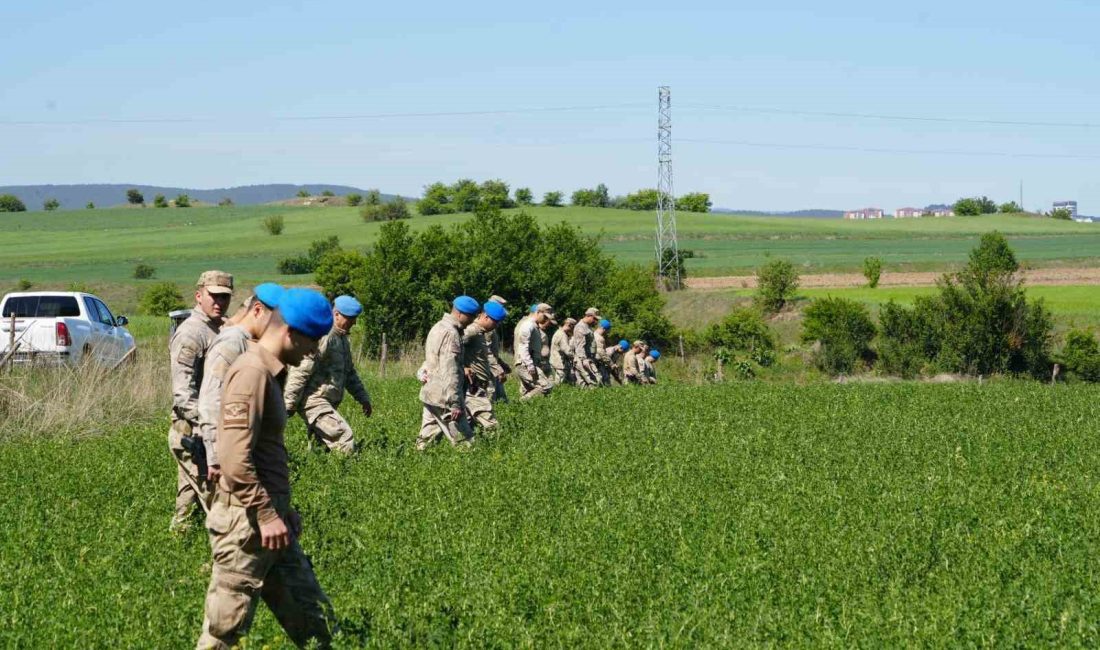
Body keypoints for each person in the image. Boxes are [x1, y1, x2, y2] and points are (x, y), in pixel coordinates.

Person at [196, 287, 336, 649]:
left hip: (270, 522)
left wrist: (282, 510)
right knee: (223, 633)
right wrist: (266, 512)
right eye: (312, 341)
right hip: (245, 524)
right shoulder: (251, 373)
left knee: (313, 620)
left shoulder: (271, 372)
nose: (314, 352)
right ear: (290, 332)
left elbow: (264, 454)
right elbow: (233, 457)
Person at [197, 283, 283, 486]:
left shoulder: (249, 342)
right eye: (276, 322)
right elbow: (211, 399)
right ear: (258, 310)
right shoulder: (232, 342)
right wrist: (216, 457)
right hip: (226, 453)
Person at [168, 270, 233, 532]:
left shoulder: (220, 328)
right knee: (218, 500)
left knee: (188, 495)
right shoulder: (191, 333)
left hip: (204, 428)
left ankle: (177, 543)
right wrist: (211, 424)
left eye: (225, 297)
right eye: (213, 296)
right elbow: (183, 393)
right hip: (192, 430)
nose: (219, 302)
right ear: (198, 296)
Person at [284, 295, 372, 454]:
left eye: (355, 318)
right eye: (350, 318)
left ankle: (318, 474)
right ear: (336, 314)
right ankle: (348, 476)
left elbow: (350, 374)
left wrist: (363, 398)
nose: (354, 322)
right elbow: (302, 368)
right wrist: (289, 403)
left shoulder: (342, 338)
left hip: (326, 401)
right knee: (343, 438)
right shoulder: (325, 336)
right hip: (314, 401)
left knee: (322, 451)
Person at [417, 296, 479, 450]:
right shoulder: (451, 334)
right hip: (444, 396)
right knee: (465, 443)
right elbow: (450, 370)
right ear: (459, 314)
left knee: (426, 439)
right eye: (470, 316)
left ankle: (416, 466)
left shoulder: (438, 326)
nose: (472, 320)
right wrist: (455, 403)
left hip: (430, 392)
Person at [462, 300, 508, 432]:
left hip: (480, 384)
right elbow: (454, 348)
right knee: (491, 424)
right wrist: (464, 367)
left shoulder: (480, 332)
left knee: (468, 425)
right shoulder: (472, 331)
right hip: (472, 386)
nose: (496, 325)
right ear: (485, 316)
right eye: (495, 322)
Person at [513, 302, 554, 399]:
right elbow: (523, 346)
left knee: (528, 389)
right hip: (525, 364)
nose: (546, 320)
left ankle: (523, 407)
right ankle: (522, 401)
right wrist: (530, 365)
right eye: (544, 316)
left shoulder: (533, 325)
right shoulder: (528, 325)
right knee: (546, 386)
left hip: (529, 363)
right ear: (538, 312)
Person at [486, 295, 512, 402]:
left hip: (493, 367)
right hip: (488, 369)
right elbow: (487, 352)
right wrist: (499, 370)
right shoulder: (488, 328)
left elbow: (492, 351)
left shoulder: (492, 327)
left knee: (502, 400)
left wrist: (501, 363)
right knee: (490, 398)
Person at [571, 307, 601, 388]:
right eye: (594, 319)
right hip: (583, 360)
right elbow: (580, 346)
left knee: (587, 384)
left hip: (588, 358)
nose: (596, 321)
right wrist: (584, 360)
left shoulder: (587, 326)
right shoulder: (580, 327)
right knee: (595, 382)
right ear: (589, 316)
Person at [550, 317, 576, 385]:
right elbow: (567, 350)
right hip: (560, 363)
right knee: (559, 383)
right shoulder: (562, 335)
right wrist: (575, 357)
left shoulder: (558, 332)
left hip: (555, 361)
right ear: (569, 325)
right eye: (573, 327)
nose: (572, 330)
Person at [594, 319, 614, 386]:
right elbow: (601, 352)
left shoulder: (593, 334)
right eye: (608, 330)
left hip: (594, 362)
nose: (608, 332)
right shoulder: (599, 338)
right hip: (597, 362)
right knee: (600, 382)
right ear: (604, 329)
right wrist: (611, 363)